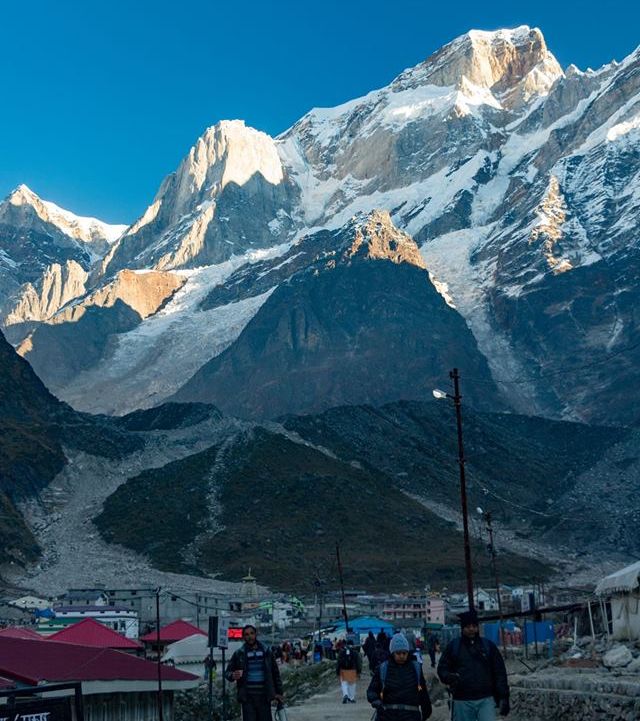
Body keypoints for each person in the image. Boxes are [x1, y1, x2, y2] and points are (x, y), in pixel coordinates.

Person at [437, 609, 510, 721]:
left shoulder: (488, 646)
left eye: (474, 626)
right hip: (462, 700)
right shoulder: (454, 647)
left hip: (486, 699)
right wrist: (449, 677)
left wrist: (504, 696)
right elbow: (442, 668)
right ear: (462, 627)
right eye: (468, 626)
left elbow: (499, 672)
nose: (471, 629)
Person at [367, 632, 432, 720]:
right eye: (398, 653)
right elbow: (372, 690)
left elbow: (422, 692)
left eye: (404, 653)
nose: (401, 656)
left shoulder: (416, 668)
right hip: (387, 716)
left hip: (411, 716)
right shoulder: (383, 668)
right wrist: (375, 700)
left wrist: (426, 711)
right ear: (392, 653)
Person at [225, 624, 284, 721]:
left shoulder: (266, 651)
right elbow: (227, 673)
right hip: (248, 698)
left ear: (256, 634)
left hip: (264, 697)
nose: (250, 636)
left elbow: (275, 673)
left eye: (252, 633)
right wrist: (233, 675)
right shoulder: (239, 654)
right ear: (244, 637)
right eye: (247, 634)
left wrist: (279, 692)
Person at [336, 638, 362, 703]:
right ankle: (351, 698)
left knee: (344, 684)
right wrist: (359, 671)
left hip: (343, 670)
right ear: (352, 645)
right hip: (352, 670)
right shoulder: (355, 652)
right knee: (352, 685)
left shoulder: (342, 652)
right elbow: (358, 663)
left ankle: (345, 694)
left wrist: (337, 672)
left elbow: (338, 662)